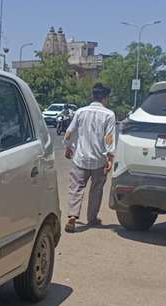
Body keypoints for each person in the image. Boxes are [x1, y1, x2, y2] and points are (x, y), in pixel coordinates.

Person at [62, 83, 117, 233]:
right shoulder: (109, 114)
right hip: (99, 160)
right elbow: (109, 137)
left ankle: (72, 216)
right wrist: (110, 156)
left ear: (93, 96)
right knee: (96, 189)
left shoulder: (80, 112)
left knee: (76, 188)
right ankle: (92, 218)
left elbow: (69, 131)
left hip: (80, 158)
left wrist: (68, 146)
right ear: (105, 98)